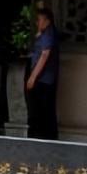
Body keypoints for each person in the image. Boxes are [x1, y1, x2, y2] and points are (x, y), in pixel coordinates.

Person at [25, 8, 60, 140]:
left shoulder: (48, 35)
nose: (37, 23)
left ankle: (42, 137)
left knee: (41, 110)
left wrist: (33, 77)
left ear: (47, 21)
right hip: (44, 78)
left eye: (39, 20)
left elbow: (45, 54)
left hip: (43, 79)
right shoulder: (45, 34)